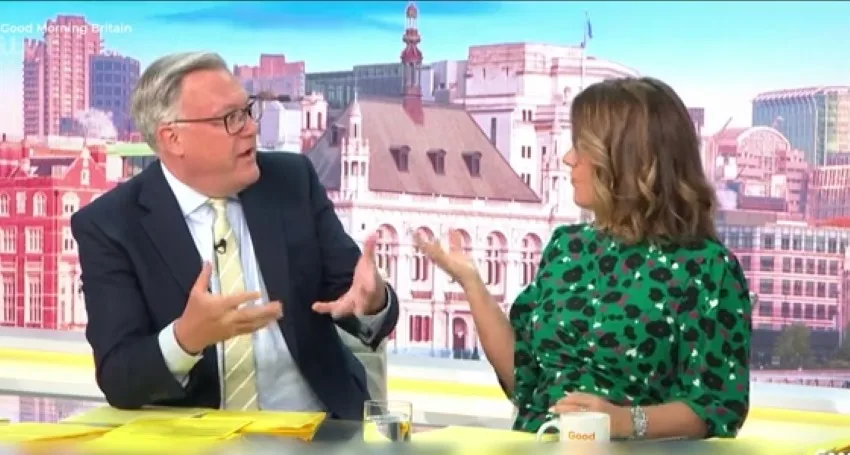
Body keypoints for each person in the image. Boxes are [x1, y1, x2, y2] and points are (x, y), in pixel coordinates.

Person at [415, 77, 752, 440]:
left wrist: (624, 422)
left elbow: (717, 406)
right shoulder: (566, 248)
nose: (567, 159)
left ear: (626, 159)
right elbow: (524, 382)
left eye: (581, 147)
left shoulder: (706, 269)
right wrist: (471, 282)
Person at [71, 51, 399, 420]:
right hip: (196, 438)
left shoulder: (292, 182)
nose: (250, 128)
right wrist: (185, 338)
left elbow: (357, 301)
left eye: (247, 111)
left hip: (318, 428)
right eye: (230, 118)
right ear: (173, 138)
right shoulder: (111, 225)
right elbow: (119, 377)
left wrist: (374, 303)